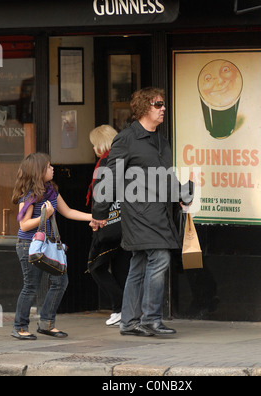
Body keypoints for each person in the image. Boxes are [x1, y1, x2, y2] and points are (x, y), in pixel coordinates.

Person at [91, 87, 193, 337]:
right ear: (143, 108)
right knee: (160, 258)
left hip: (159, 212)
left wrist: (181, 194)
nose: (163, 108)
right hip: (137, 213)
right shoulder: (126, 139)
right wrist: (100, 213)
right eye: (158, 104)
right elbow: (110, 177)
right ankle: (150, 319)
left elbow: (166, 175)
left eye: (163, 104)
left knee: (139, 264)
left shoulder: (161, 139)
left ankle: (128, 322)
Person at [11, 152, 92, 340]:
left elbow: (68, 211)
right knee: (31, 286)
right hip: (29, 245)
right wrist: (44, 216)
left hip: (47, 245)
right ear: (38, 171)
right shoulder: (30, 195)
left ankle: (46, 324)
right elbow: (23, 225)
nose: (52, 168)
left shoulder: (51, 190)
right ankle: (20, 326)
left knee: (60, 281)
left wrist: (93, 217)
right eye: (48, 166)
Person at [86, 125, 131, 327]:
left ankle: (120, 307)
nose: (93, 148)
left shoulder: (105, 163)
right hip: (126, 223)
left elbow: (102, 195)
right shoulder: (124, 160)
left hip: (109, 223)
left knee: (95, 266)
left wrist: (98, 218)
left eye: (94, 144)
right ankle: (125, 310)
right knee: (122, 267)